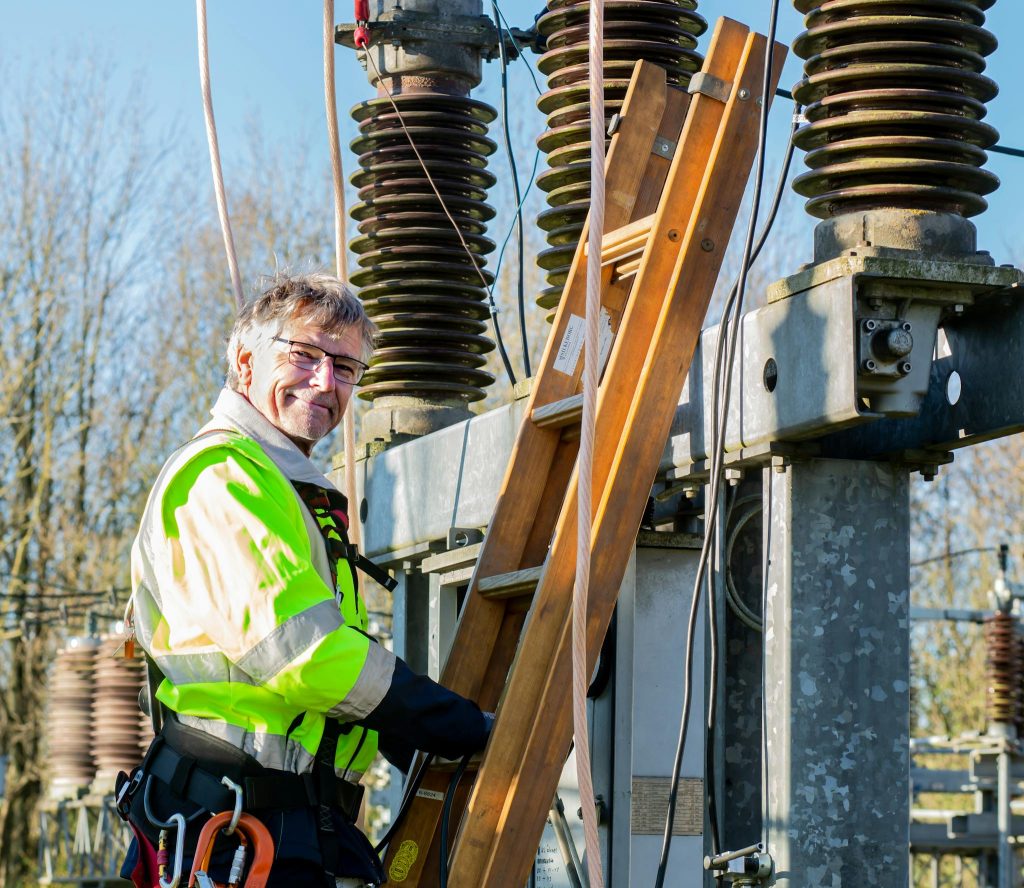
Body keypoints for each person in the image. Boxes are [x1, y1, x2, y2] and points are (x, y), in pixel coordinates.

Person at [117, 272, 490, 887]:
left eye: (345, 368)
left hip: (286, 822)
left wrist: (397, 731)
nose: (325, 382)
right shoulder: (225, 479)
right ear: (244, 362)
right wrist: (442, 721)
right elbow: (304, 655)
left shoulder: (281, 486)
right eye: (305, 355)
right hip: (236, 823)